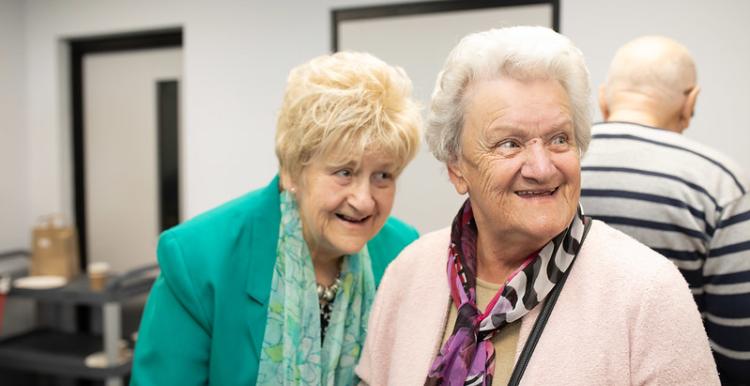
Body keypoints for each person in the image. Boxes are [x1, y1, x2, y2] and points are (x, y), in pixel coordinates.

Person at [356, 26, 720, 385]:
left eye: (560, 139)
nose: (542, 168)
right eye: (510, 143)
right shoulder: (408, 274)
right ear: (456, 167)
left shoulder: (648, 294)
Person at [130, 51, 422, 385]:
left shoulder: (404, 253)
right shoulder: (198, 260)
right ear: (291, 171)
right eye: (344, 172)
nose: (364, 200)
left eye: (383, 175)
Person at [580, 35, 750, 384]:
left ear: (603, 96)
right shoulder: (721, 184)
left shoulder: (555, 167)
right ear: (692, 101)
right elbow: (737, 345)